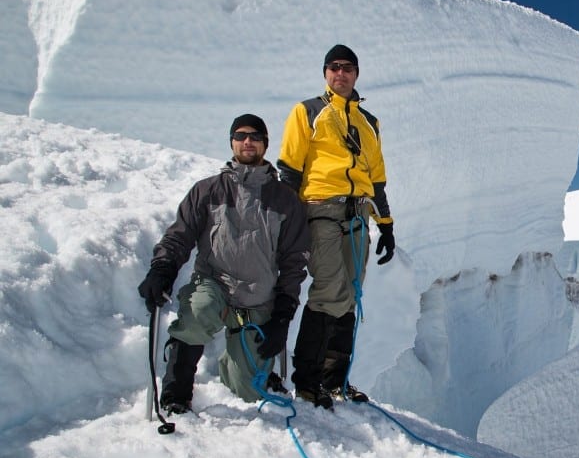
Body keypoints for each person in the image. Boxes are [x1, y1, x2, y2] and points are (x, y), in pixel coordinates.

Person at [138, 114, 310, 413]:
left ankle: (238, 366)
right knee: (197, 312)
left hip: (259, 298)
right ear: (231, 141)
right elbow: (180, 235)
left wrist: (283, 312)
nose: (248, 141)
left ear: (265, 145)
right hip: (214, 285)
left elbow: (294, 260)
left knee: (249, 390)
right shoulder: (207, 191)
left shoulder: (285, 200)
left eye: (255, 136)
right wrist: (162, 268)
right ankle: (176, 393)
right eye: (241, 135)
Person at [277, 44, 396, 410]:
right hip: (321, 208)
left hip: (359, 212)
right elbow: (290, 168)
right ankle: (307, 380)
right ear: (325, 73)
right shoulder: (308, 111)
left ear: (356, 74)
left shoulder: (369, 122)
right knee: (331, 289)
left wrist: (386, 225)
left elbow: (376, 179)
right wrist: (285, 222)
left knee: (352, 293)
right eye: (333, 67)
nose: (340, 73)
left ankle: (335, 380)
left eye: (347, 68)